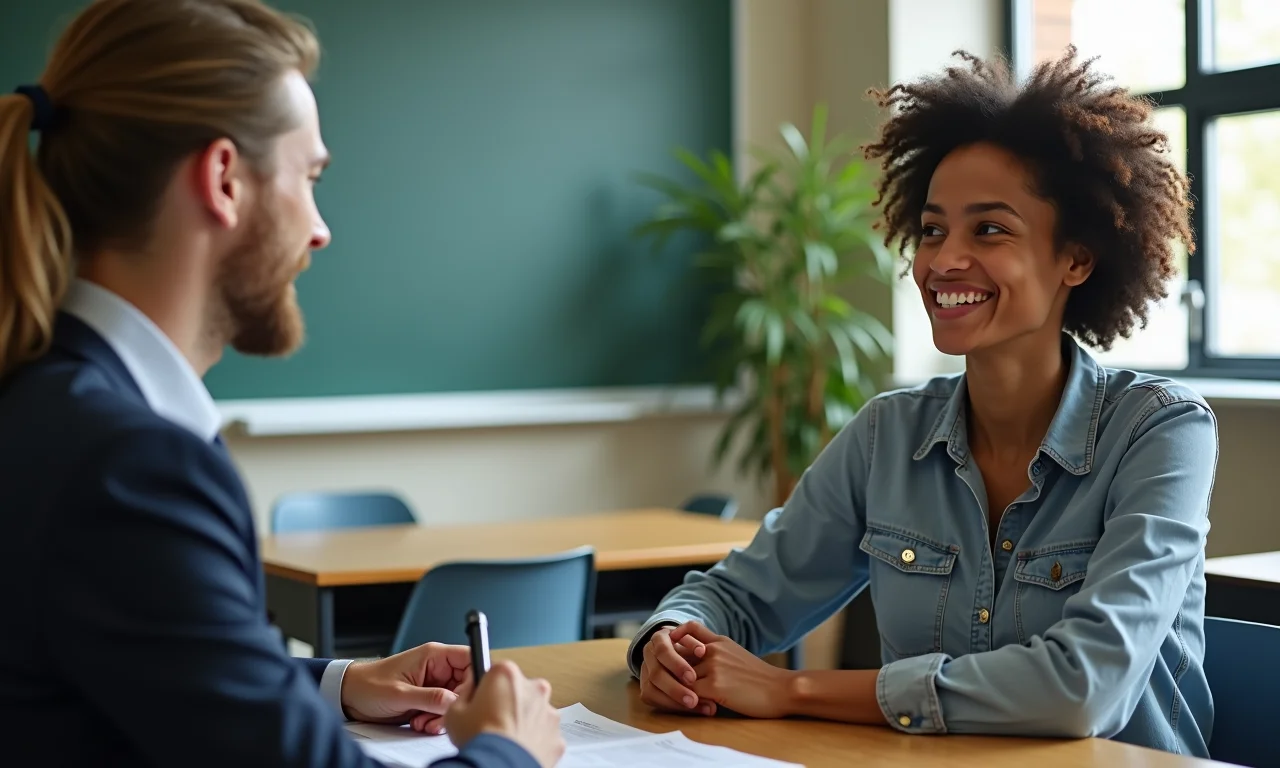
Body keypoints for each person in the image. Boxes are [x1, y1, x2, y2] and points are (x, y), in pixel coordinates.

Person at [0, 1, 564, 766]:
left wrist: (339, 682)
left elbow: (146, 664)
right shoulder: (129, 468)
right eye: (310, 176)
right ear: (225, 179)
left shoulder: (42, 402)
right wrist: (508, 750)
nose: (321, 228)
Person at [630, 47, 1218, 757]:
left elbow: (1084, 688)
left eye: (990, 229)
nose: (942, 261)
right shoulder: (887, 434)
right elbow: (741, 599)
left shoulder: (1162, 432)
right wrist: (670, 645)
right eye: (933, 229)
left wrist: (792, 690)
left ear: (1077, 259)